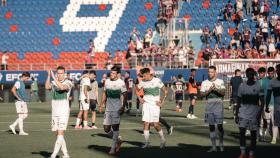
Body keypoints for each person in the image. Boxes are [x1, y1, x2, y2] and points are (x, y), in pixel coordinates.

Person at [235, 68, 264, 158]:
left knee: (253, 135)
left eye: (252, 74)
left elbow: (262, 101)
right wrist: (236, 113)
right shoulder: (242, 86)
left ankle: (251, 153)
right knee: (242, 133)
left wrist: (259, 113)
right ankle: (243, 153)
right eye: (249, 74)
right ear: (246, 75)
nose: (251, 76)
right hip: (243, 113)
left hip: (254, 114)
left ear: (254, 75)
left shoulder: (258, 86)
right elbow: (238, 100)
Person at [45, 66, 73, 158]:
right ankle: (66, 154)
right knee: (58, 134)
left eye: (62, 73)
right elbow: (46, 87)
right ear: (57, 73)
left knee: (60, 133)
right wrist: (49, 76)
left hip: (64, 111)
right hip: (55, 111)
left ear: (64, 73)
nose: (60, 75)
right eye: (58, 73)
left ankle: (53, 155)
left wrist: (54, 78)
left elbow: (62, 88)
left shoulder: (68, 82)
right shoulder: (53, 82)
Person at [137, 68, 168, 148]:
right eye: (142, 76)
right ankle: (146, 143)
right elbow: (136, 89)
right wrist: (140, 98)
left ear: (148, 74)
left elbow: (165, 91)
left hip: (155, 105)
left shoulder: (157, 80)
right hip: (146, 105)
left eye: (144, 76)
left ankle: (163, 139)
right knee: (146, 123)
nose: (143, 78)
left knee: (155, 124)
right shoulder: (142, 82)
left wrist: (162, 102)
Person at [100, 66, 127, 155]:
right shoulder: (107, 81)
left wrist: (123, 107)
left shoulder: (121, 83)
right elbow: (104, 93)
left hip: (117, 109)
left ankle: (112, 148)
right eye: (111, 73)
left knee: (115, 128)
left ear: (118, 74)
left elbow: (125, 94)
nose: (111, 74)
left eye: (113, 73)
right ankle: (118, 140)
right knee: (106, 129)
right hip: (108, 109)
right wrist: (101, 104)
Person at [200, 66, 226, 152]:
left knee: (220, 126)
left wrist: (215, 89)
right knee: (211, 126)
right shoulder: (204, 82)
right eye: (209, 72)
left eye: (211, 72)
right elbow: (202, 94)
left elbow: (223, 93)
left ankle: (221, 144)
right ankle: (214, 146)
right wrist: (209, 90)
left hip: (218, 103)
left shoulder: (220, 81)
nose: (210, 73)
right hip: (209, 103)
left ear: (215, 72)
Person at [259, 67, 275, 142]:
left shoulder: (277, 80)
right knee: (267, 122)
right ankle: (263, 135)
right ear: (267, 73)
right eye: (269, 73)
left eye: (272, 73)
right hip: (266, 104)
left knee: (275, 123)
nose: (271, 74)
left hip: (276, 105)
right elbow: (259, 92)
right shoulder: (262, 81)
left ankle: (273, 137)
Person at [266, 64, 280, 144]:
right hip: (277, 107)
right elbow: (268, 95)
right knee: (276, 123)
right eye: (277, 70)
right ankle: (274, 138)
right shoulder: (272, 82)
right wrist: (267, 105)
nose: (278, 72)